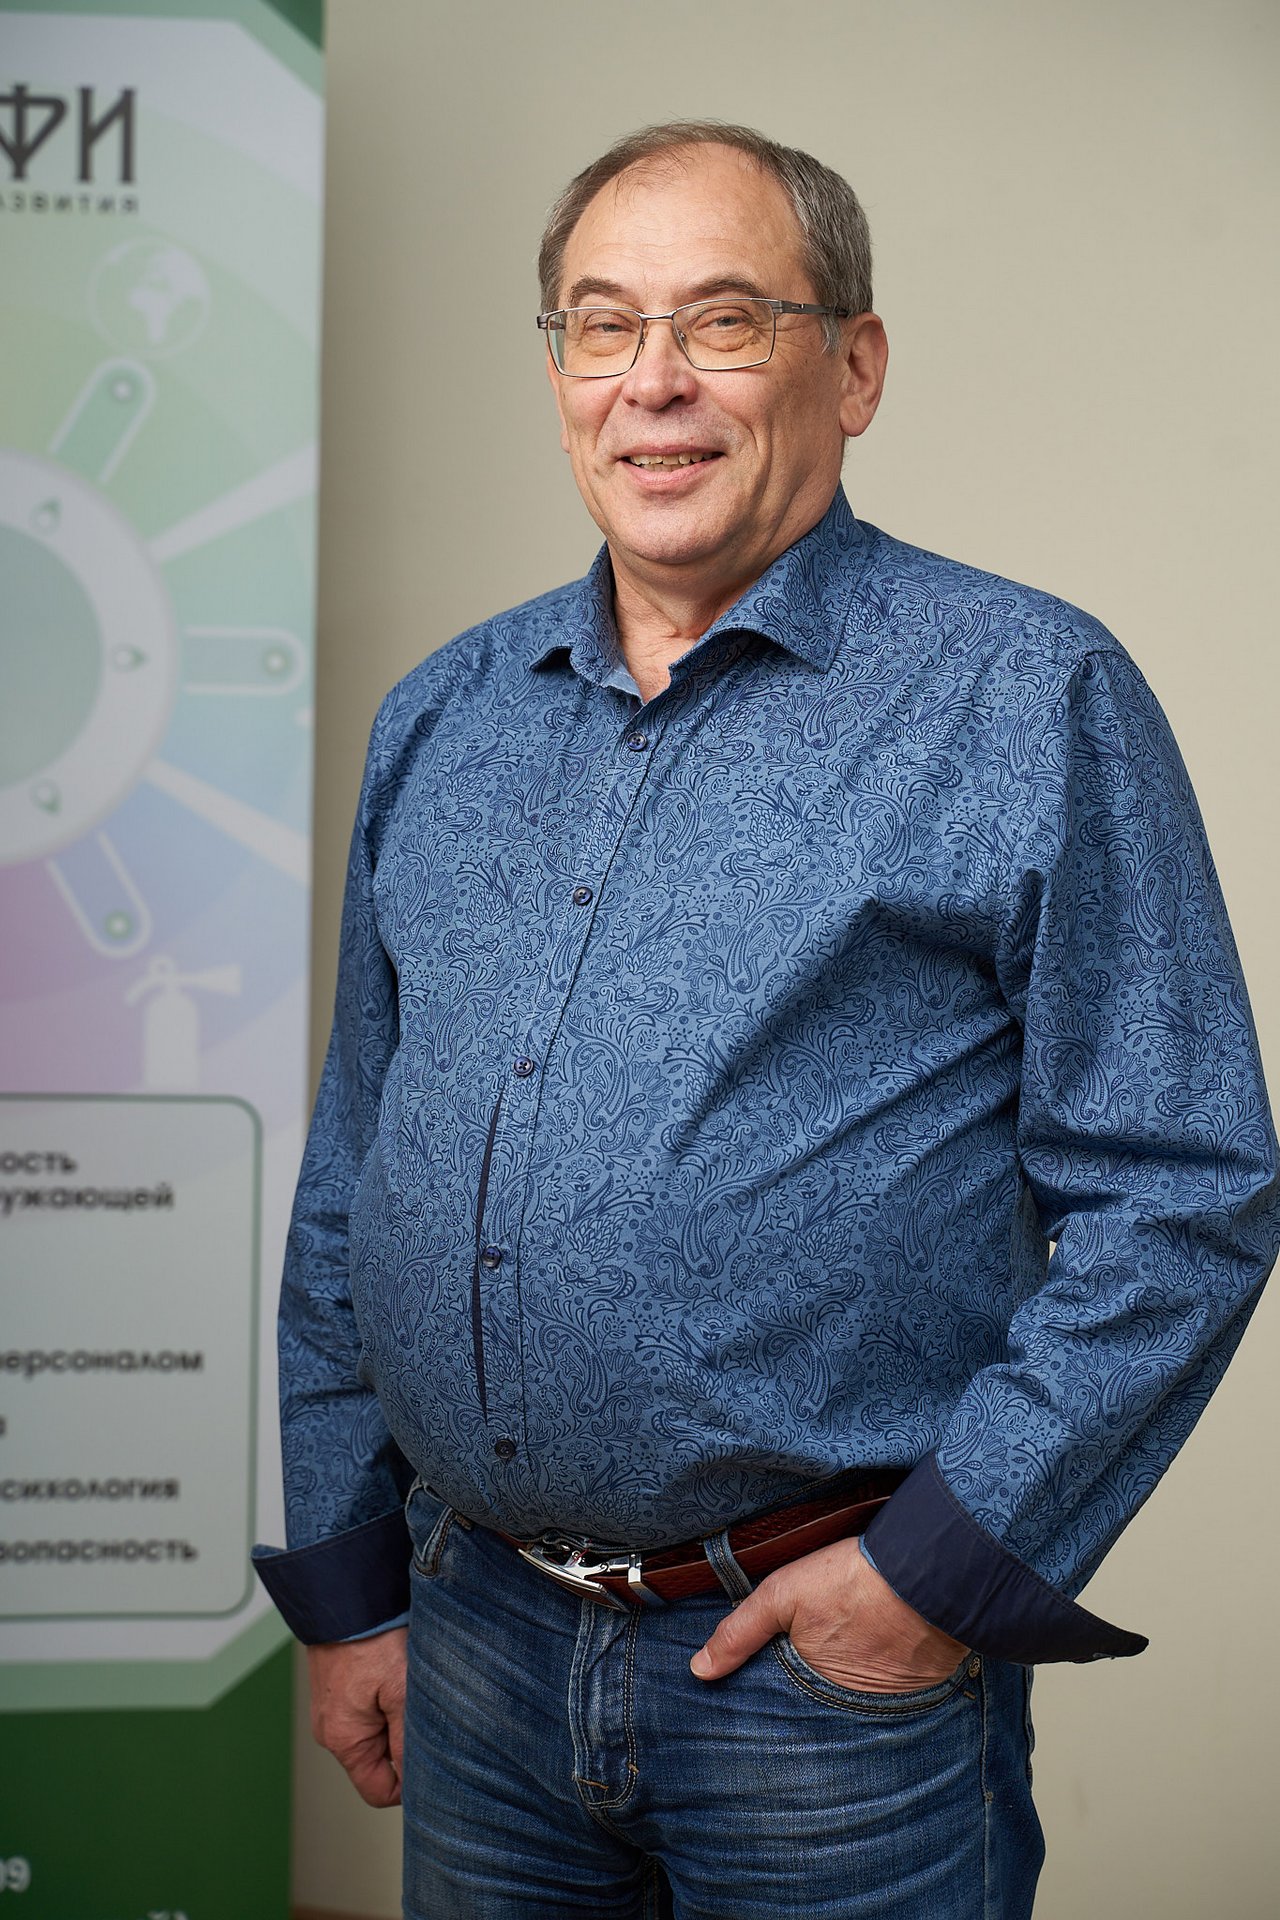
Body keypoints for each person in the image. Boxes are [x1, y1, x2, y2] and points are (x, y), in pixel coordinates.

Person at [253, 121, 1279, 1918]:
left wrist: (940, 1573)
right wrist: (350, 1588)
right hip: (472, 1639)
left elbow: (1182, 1189)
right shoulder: (445, 717)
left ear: (854, 368)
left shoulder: (1026, 696)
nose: (652, 382)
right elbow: (354, 1176)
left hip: (823, 1691)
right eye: (601, 324)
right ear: (560, 372)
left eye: (724, 321)